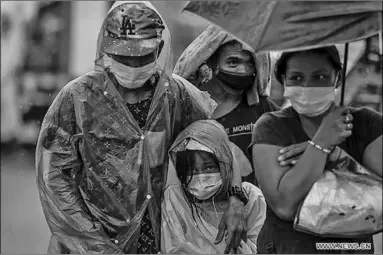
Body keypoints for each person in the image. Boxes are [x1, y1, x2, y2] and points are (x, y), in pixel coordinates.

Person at [36, 2, 247, 253]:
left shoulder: (175, 95)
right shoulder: (78, 98)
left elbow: (218, 142)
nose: (134, 66)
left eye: (142, 57)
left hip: (158, 240)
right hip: (88, 243)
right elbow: (55, 178)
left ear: (159, 50)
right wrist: (91, 243)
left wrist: (236, 198)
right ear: (107, 50)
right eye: (124, 56)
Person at [248, 45, 382, 254]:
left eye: (319, 77)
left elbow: (379, 202)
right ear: (284, 81)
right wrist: (321, 142)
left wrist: (338, 157)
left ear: (337, 78)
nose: (307, 86)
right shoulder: (271, 126)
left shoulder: (367, 124)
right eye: (297, 78)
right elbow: (285, 205)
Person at [174, 25, 279, 184]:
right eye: (233, 62)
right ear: (211, 64)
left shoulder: (263, 109)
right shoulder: (184, 111)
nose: (243, 70)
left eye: (250, 63)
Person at [162, 119, 266, 254]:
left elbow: (262, 247)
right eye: (191, 170)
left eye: (209, 167)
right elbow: (173, 249)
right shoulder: (176, 197)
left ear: (225, 163)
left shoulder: (252, 197)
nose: (200, 177)